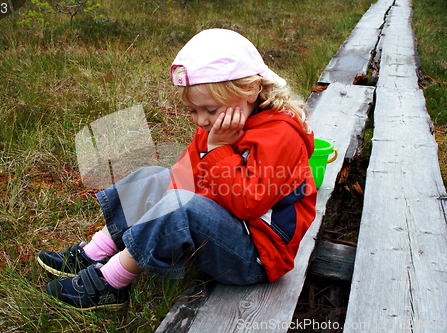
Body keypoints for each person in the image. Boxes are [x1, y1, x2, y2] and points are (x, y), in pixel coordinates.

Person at [37, 28, 317, 310]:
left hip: (255, 256)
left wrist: (219, 150)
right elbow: (185, 178)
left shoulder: (281, 135)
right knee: (155, 177)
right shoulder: (219, 128)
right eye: (193, 111)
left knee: (180, 205)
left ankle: (112, 282)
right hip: (227, 227)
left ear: (251, 90)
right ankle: (99, 251)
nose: (201, 121)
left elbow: (248, 204)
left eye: (210, 109)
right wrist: (161, 210)